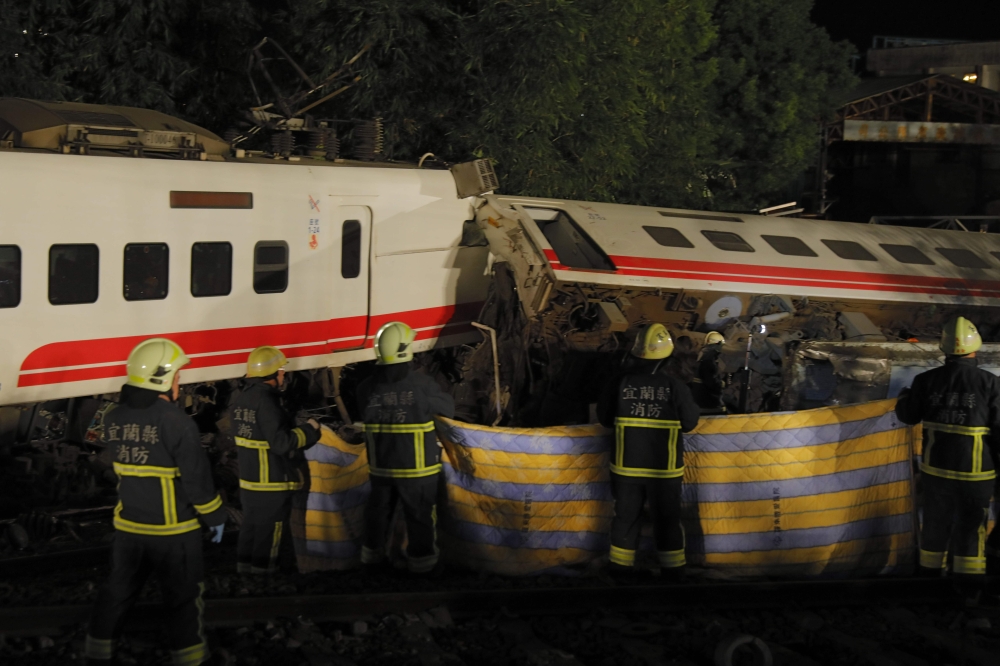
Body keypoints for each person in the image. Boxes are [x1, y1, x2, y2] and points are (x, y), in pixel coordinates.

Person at [85, 338, 227, 666]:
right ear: (162, 377)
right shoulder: (177, 421)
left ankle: (96, 654)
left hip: (129, 528)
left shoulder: (113, 417)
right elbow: (197, 482)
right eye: (177, 376)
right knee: (183, 599)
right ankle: (190, 659)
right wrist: (216, 516)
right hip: (173, 531)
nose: (180, 382)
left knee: (117, 592)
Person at [896, 316, 1000, 593]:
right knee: (971, 527)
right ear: (975, 347)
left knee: (934, 523)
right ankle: (967, 589)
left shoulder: (925, 381)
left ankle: (928, 583)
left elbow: (908, 416)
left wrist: (904, 398)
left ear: (944, 348)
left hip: (936, 470)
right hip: (977, 473)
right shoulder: (991, 384)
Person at [598, 323, 700, 579]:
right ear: (668, 355)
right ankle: (673, 574)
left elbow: (604, 419)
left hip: (625, 466)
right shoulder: (675, 387)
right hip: (664, 470)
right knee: (667, 520)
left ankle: (620, 572)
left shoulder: (619, 383)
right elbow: (689, 423)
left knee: (625, 518)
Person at [357, 321, 455, 573]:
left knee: (377, 514)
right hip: (417, 470)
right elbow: (449, 409)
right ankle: (422, 566)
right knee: (420, 517)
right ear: (405, 348)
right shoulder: (421, 386)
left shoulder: (366, 388)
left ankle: (371, 561)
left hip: (381, 469)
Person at [230, 346, 321, 574]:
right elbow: (281, 443)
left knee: (250, 528)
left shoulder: (240, 402)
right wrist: (310, 430)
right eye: (280, 372)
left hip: (250, 482)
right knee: (270, 533)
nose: (283, 376)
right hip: (272, 482)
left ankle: (244, 575)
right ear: (272, 374)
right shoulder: (267, 402)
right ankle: (264, 577)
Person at [690, 331, 726, 412]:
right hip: (707, 401)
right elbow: (710, 381)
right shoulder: (709, 360)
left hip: (697, 397)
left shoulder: (700, 355)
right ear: (717, 344)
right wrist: (720, 385)